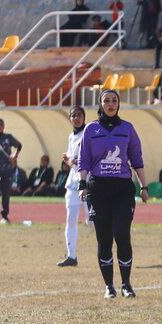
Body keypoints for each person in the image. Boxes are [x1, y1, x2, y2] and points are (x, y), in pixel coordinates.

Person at [78, 90, 149, 299]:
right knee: (104, 239)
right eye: (106, 101)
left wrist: (144, 187)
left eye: (114, 101)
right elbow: (84, 160)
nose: (111, 104)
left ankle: (126, 284)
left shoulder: (127, 129)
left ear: (119, 105)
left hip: (122, 190)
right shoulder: (91, 129)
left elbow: (137, 159)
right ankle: (109, 286)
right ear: (100, 104)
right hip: (98, 189)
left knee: (122, 235)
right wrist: (82, 184)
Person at [58, 106, 87, 267]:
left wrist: (76, 161)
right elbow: (72, 160)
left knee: (93, 222)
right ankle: (71, 256)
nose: (76, 118)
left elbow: (92, 156)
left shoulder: (89, 133)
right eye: (73, 115)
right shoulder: (71, 136)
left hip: (88, 183)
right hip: (73, 184)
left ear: (84, 117)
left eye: (79, 115)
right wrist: (68, 159)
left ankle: (107, 250)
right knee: (70, 220)